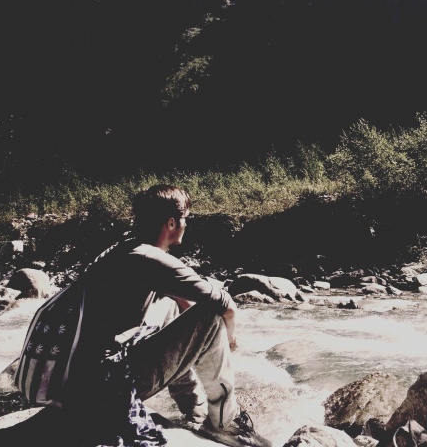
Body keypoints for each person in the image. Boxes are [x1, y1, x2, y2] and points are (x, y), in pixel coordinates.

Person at [59, 184, 272, 447]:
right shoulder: (149, 258)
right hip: (109, 387)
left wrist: (195, 340)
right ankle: (224, 423)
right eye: (185, 219)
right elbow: (225, 306)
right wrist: (229, 339)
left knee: (171, 306)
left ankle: (194, 409)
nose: (186, 225)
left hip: (83, 381)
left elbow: (182, 304)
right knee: (211, 317)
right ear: (171, 222)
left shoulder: (123, 251)